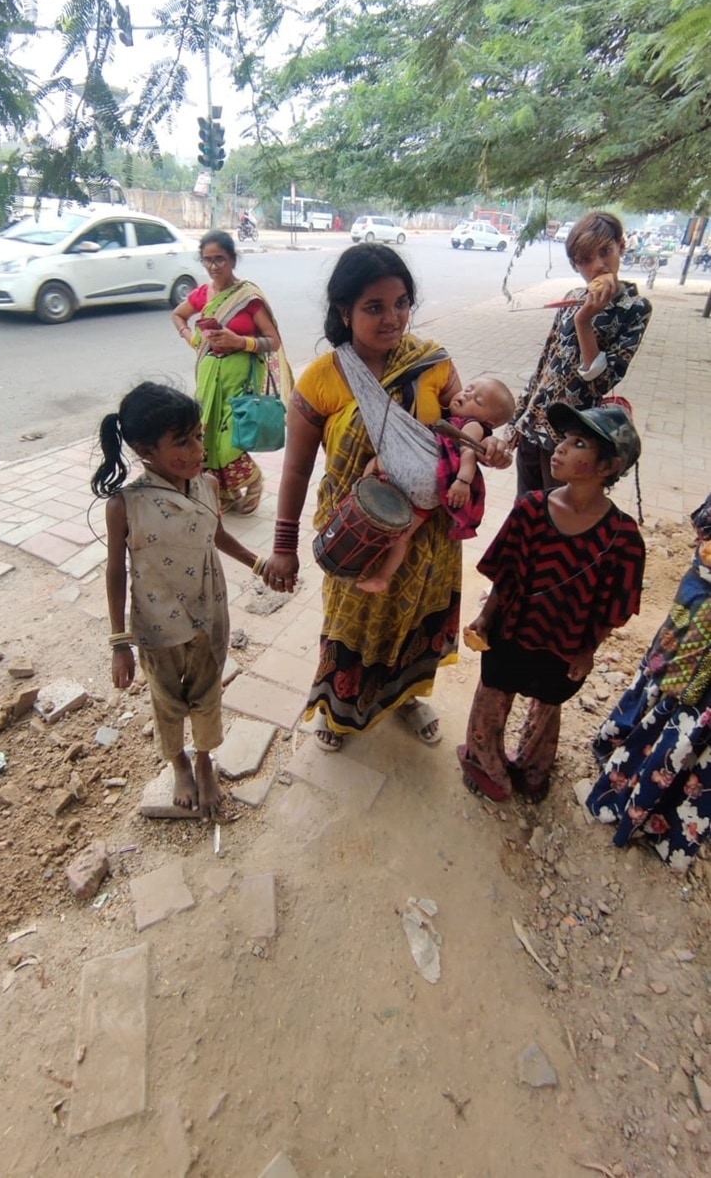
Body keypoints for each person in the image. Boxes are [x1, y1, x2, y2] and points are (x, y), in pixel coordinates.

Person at [261, 243, 511, 753]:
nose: (393, 318)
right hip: (359, 531)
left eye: (401, 303)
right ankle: (337, 709)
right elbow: (296, 469)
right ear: (343, 311)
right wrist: (283, 546)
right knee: (350, 623)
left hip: (429, 533)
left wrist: (490, 449)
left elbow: (467, 427)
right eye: (374, 307)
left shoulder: (433, 363)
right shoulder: (322, 379)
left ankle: (404, 698)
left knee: (415, 619)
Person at [459, 403, 646, 804]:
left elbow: (614, 606)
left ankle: (533, 769)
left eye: (578, 444)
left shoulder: (624, 539)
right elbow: (505, 576)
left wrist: (588, 650)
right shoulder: (529, 510)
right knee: (493, 696)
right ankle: (485, 762)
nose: (559, 449)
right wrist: (485, 618)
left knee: (548, 707)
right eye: (563, 439)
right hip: (511, 632)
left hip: (566, 645)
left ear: (607, 467)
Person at [91, 382, 262, 819]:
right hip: (157, 624)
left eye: (199, 436)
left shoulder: (205, 485)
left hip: (208, 611)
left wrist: (258, 564)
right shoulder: (125, 505)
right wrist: (118, 642)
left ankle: (204, 760)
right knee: (167, 700)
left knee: (207, 693)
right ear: (146, 450)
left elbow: (217, 536)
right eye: (183, 442)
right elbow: (115, 572)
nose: (198, 449)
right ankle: (180, 763)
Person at [586, 493, 711, 871]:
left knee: (681, 707)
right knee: (676, 701)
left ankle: (643, 793)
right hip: (700, 611)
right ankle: (650, 801)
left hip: (698, 608)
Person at [509, 211, 652, 497]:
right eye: (586, 259)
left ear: (621, 247)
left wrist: (584, 322)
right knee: (525, 513)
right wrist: (516, 422)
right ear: (576, 264)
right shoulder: (572, 298)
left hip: (571, 442)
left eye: (605, 252)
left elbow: (601, 382)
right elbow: (544, 367)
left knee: (559, 518)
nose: (599, 266)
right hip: (532, 430)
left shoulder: (635, 309)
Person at [357, 373, 515, 593]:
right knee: (402, 537)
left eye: (478, 401)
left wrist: (462, 481)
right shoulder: (455, 419)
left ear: (488, 422)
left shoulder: (473, 426)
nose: (467, 395)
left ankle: (360, 500)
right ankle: (383, 576)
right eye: (469, 389)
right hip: (431, 493)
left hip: (436, 481)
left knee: (377, 463)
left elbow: (467, 452)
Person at [172, 230, 292, 515]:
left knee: (230, 440)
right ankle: (225, 495)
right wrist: (190, 337)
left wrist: (239, 342)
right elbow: (178, 314)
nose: (214, 266)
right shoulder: (202, 294)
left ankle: (254, 480)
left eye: (220, 259)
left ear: (233, 260)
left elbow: (272, 341)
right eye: (207, 260)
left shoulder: (248, 297)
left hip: (240, 379)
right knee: (207, 435)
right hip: (208, 375)